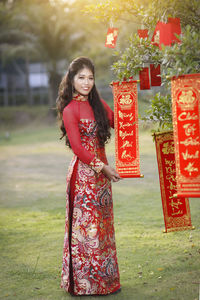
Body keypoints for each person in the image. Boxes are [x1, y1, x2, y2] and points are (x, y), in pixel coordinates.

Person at [56, 57, 121, 296]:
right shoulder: (69, 109)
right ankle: (85, 285)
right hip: (83, 176)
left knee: (103, 229)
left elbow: (119, 122)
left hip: (101, 177)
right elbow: (78, 148)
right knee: (86, 232)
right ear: (71, 80)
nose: (86, 82)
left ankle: (106, 282)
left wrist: (127, 102)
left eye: (90, 78)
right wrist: (103, 167)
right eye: (81, 77)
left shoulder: (98, 104)